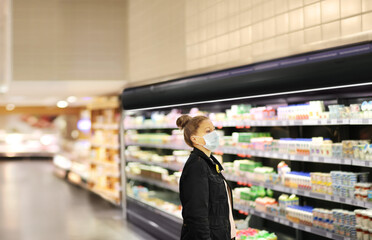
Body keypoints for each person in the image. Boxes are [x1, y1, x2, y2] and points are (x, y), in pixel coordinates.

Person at [177, 115, 236, 240]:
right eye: (208, 131)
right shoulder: (197, 166)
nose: (214, 134)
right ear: (195, 139)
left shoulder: (209, 162)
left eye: (214, 130)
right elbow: (197, 216)